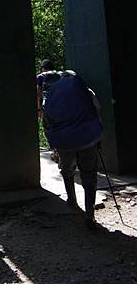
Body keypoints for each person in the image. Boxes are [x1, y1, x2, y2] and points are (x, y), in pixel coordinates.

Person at [42, 70, 103, 229]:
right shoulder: (85, 90)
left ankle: (72, 200)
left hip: (64, 141)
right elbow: (97, 109)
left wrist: (53, 142)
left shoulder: (53, 94)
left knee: (67, 169)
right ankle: (89, 215)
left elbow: (47, 119)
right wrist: (97, 133)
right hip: (88, 138)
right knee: (89, 174)